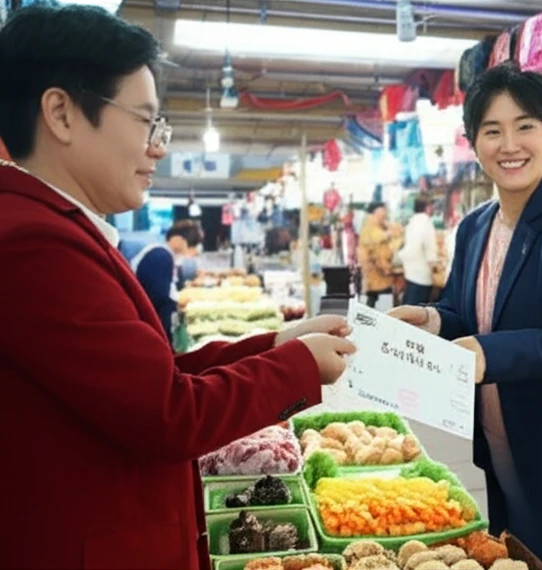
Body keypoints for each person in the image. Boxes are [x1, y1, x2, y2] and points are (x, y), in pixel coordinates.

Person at [0, 5, 357, 568]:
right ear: (61, 113)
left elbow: (148, 379)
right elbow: (168, 414)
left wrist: (278, 342)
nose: (158, 146)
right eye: (145, 120)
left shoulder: (51, 227)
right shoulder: (31, 244)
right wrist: (300, 367)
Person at [389, 61, 542, 570]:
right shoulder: (473, 227)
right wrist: (429, 321)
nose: (510, 145)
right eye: (493, 131)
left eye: (525, 127)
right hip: (490, 445)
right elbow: (463, 311)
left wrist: (486, 355)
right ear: (474, 144)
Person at [119, 221, 202, 339]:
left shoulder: (163, 254)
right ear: (177, 239)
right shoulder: (160, 256)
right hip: (150, 323)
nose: (187, 249)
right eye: (189, 244)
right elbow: (159, 297)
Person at [357, 201, 401, 308]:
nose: (385, 212)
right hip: (375, 264)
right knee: (373, 292)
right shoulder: (370, 223)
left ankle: (369, 313)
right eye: (383, 209)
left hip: (377, 264)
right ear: (377, 211)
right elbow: (374, 238)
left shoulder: (379, 223)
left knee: (373, 295)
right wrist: (388, 234)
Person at [399, 196, 439, 305]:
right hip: (422, 277)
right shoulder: (427, 224)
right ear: (428, 208)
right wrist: (436, 270)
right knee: (417, 315)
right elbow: (431, 254)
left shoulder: (411, 223)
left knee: (407, 309)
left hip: (409, 273)